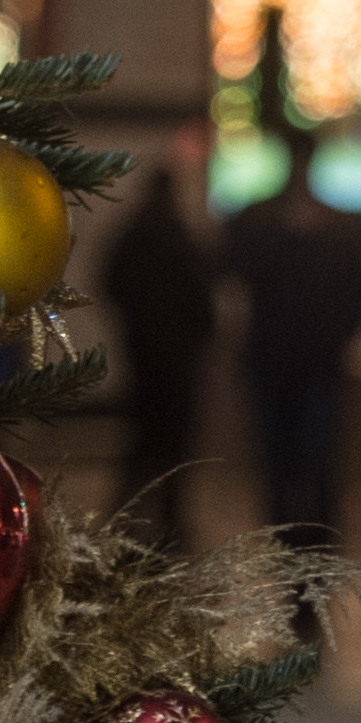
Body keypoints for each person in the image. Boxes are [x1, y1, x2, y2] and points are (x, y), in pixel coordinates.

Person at [219, 159, 361, 548]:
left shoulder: (265, 231)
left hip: (292, 365)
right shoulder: (331, 236)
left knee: (295, 461)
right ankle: (309, 536)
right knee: (300, 460)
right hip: (299, 366)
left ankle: (295, 535)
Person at [101, 134, 217, 544]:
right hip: (176, 361)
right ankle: (167, 524)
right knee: (171, 446)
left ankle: (127, 521)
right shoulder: (178, 236)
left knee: (142, 444)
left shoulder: (135, 234)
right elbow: (201, 298)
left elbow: (110, 282)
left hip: (145, 355)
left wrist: (134, 326)